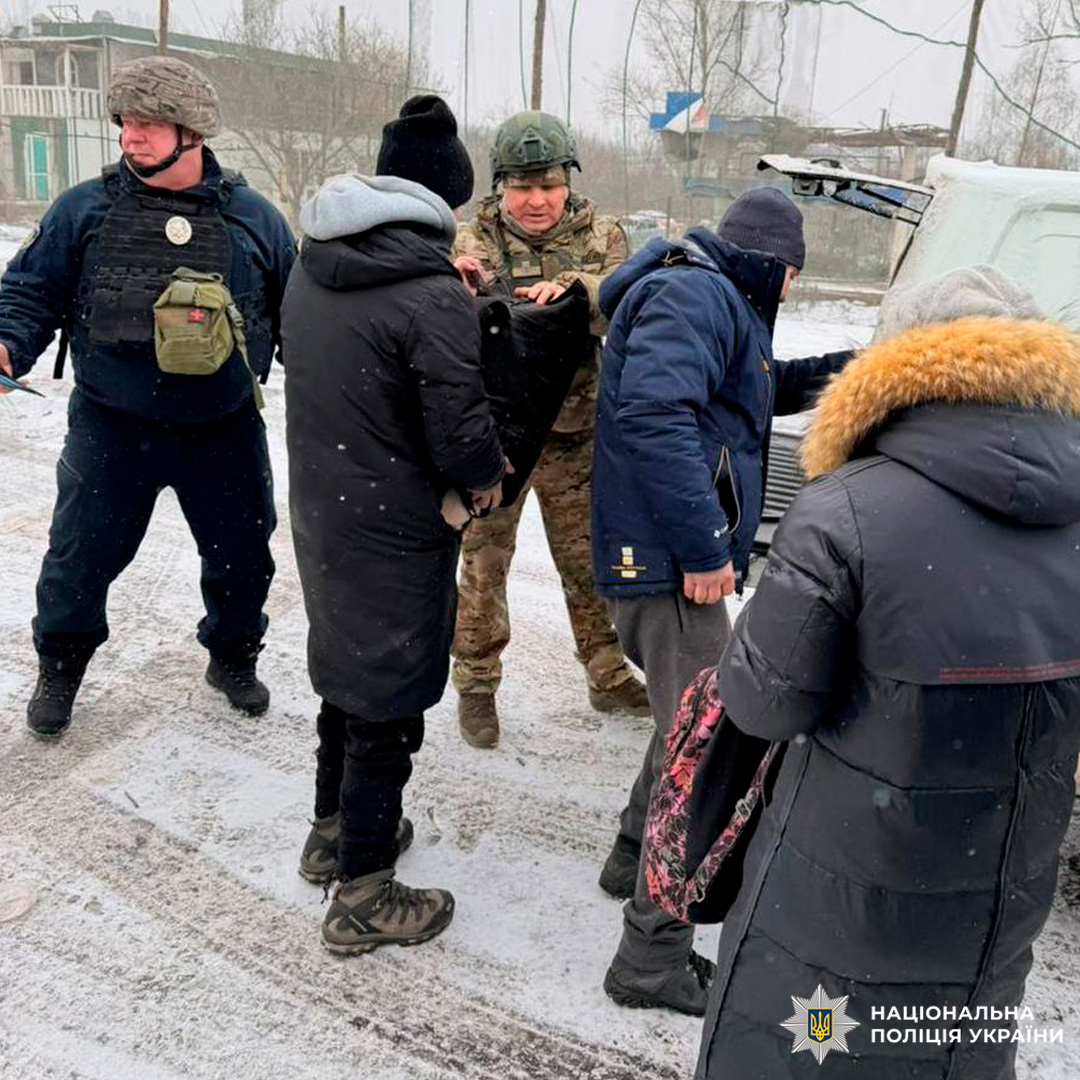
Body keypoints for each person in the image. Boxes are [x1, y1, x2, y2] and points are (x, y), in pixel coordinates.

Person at [695, 267, 1080, 1079]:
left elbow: (764, 703)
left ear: (896, 367)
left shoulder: (843, 510)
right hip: (1002, 889)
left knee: (802, 1045)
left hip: (840, 886)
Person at [591, 187, 852, 1014]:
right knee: (706, 750)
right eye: (793, 279)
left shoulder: (711, 296)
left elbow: (744, 393)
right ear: (777, 267)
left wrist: (848, 372)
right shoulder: (696, 292)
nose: (792, 294)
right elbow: (657, 415)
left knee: (685, 717)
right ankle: (650, 958)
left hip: (662, 559)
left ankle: (630, 854)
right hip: (667, 564)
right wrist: (704, 546)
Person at [0, 55, 296, 738]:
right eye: (126, 123)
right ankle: (62, 667)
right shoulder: (84, 208)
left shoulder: (256, 219)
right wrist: (9, 343)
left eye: (148, 124)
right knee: (78, 558)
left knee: (244, 557)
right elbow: (30, 291)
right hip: (111, 424)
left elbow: (300, 312)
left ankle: (232, 658)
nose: (130, 136)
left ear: (192, 132)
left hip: (221, 427)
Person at [282, 95, 505, 953]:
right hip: (398, 523)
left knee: (346, 671)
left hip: (327, 511)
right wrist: (484, 478)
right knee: (389, 701)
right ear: (443, 201)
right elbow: (461, 432)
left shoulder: (317, 264)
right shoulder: (426, 291)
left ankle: (332, 831)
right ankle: (364, 891)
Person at [450, 110, 649, 750]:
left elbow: (624, 292)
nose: (536, 201)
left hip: (574, 435)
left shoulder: (603, 235)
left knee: (591, 565)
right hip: (500, 438)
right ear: (500, 186)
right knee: (482, 566)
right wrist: (478, 293)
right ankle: (476, 684)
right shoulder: (469, 237)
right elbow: (452, 304)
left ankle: (606, 672)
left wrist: (573, 291)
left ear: (569, 181)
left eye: (549, 185)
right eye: (521, 186)